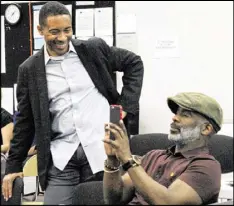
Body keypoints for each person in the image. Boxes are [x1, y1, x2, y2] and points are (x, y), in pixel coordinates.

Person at [2, 1, 144, 205]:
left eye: (67, 30)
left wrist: (124, 107)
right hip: (61, 157)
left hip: (101, 151)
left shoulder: (92, 50)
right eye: (54, 32)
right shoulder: (29, 70)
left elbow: (134, 63)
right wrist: (13, 167)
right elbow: (25, 121)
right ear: (40, 29)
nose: (62, 38)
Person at [103, 92, 223, 205]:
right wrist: (112, 159)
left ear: (206, 129)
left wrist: (128, 159)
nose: (174, 118)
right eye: (177, 113)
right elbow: (115, 199)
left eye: (185, 115)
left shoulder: (207, 167)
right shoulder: (153, 156)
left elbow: (166, 201)